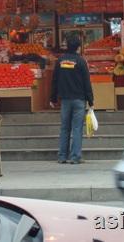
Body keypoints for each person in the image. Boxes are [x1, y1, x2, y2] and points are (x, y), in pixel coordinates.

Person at [50, 35, 94, 164]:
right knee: (77, 129)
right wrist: (91, 100)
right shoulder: (81, 61)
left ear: (67, 46)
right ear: (78, 47)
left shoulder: (60, 61)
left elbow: (55, 80)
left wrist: (53, 98)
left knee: (64, 128)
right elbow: (87, 82)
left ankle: (62, 156)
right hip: (79, 100)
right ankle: (75, 157)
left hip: (65, 100)